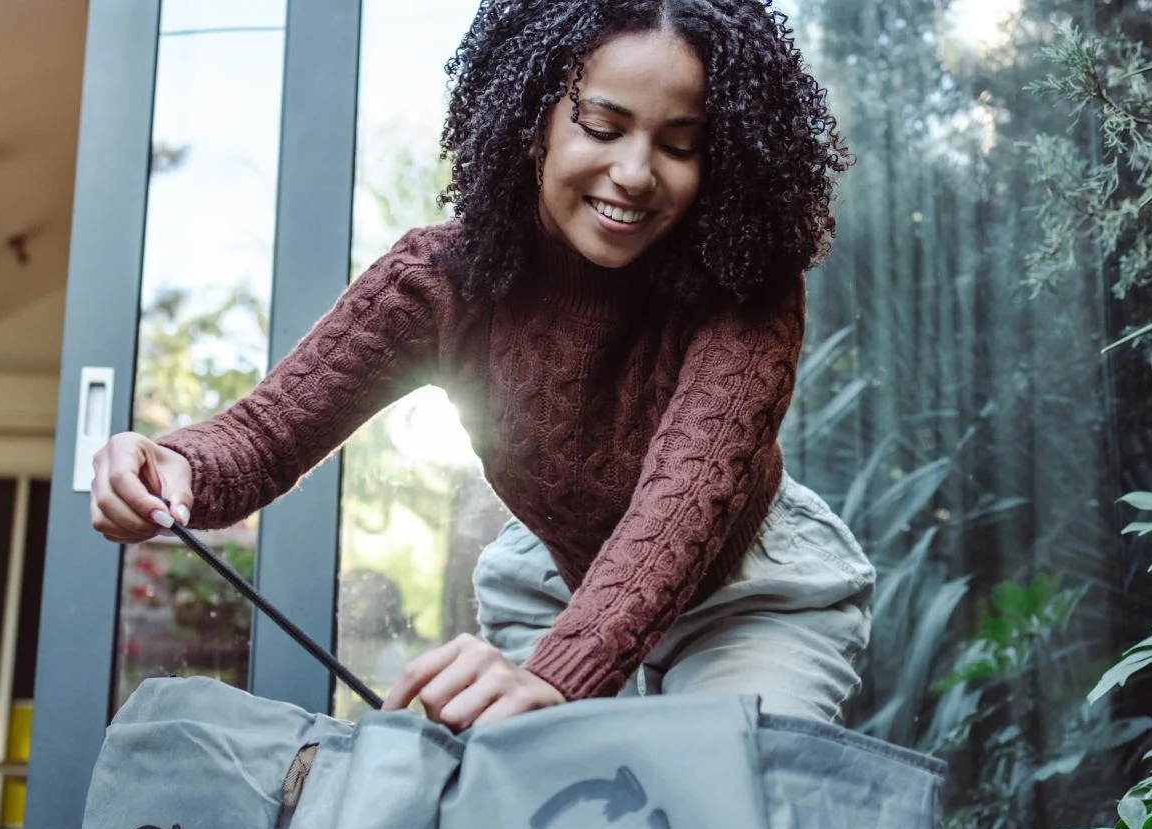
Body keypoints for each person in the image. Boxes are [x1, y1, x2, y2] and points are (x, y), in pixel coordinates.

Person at [88, 0, 872, 731]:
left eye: (679, 145)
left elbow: (686, 496)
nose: (636, 172)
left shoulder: (747, 285)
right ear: (534, 120)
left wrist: (563, 675)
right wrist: (176, 464)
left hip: (749, 596)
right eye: (602, 126)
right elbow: (264, 437)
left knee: (719, 804)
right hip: (552, 590)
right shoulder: (439, 280)